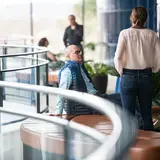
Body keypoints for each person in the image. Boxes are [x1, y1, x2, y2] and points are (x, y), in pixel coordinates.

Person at [114, 6, 160, 131]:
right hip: (146, 76)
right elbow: (159, 57)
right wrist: (154, 69)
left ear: (132, 17)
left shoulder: (124, 33)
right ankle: (149, 147)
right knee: (147, 115)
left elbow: (117, 57)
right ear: (146, 19)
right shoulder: (152, 35)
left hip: (128, 76)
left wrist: (122, 72)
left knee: (128, 116)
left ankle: (130, 148)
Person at [56, 45, 122, 115]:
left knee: (123, 96)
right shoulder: (68, 70)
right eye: (76, 52)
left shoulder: (80, 67)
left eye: (80, 52)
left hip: (95, 98)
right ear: (68, 56)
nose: (80, 54)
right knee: (122, 103)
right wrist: (58, 112)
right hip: (85, 106)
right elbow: (62, 92)